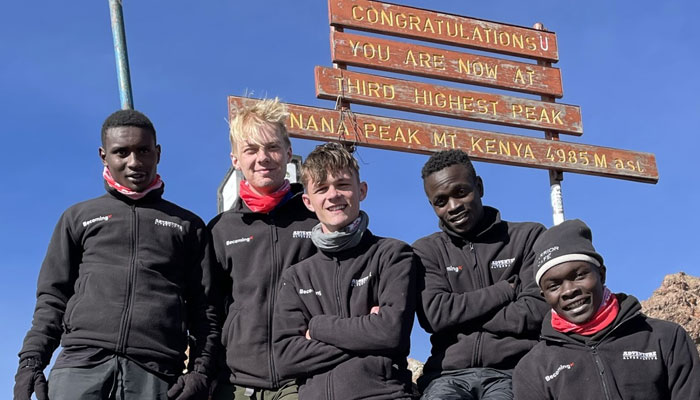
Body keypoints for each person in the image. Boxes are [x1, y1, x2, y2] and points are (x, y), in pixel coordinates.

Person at [14, 109, 219, 400]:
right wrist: (31, 363)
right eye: (121, 152)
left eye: (143, 151)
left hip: (157, 373)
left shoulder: (188, 225)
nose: (134, 162)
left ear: (157, 153)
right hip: (79, 368)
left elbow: (206, 310)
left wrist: (200, 372)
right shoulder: (77, 217)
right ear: (103, 156)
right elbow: (52, 299)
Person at [272, 142, 416, 399]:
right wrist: (369, 335)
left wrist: (317, 328)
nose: (333, 195)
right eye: (322, 188)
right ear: (308, 201)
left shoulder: (393, 255)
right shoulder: (295, 277)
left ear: (362, 190)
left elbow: (391, 333)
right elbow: (285, 358)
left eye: (343, 184)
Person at [413, 149, 548, 400]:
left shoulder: (528, 237)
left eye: (461, 192)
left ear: (479, 186)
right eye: (441, 201)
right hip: (446, 377)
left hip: (515, 371)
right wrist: (505, 292)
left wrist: (458, 314)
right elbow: (435, 316)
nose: (453, 207)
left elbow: (536, 310)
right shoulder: (426, 251)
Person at [513, 219, 700, 399]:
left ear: (601, 274)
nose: (569, 291)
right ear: (543, 294)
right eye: (554, 286)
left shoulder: (664, 338)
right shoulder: (533, 369)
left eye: (579, 275)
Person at [208, 98, 318, 399]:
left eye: (272, 147)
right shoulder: (220, 230)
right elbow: (210, 312)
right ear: (235, 159)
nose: (263, 158)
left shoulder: (317, 220)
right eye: (251, 150)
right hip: (235, 383)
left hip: (303, 379)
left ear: (288, 152)